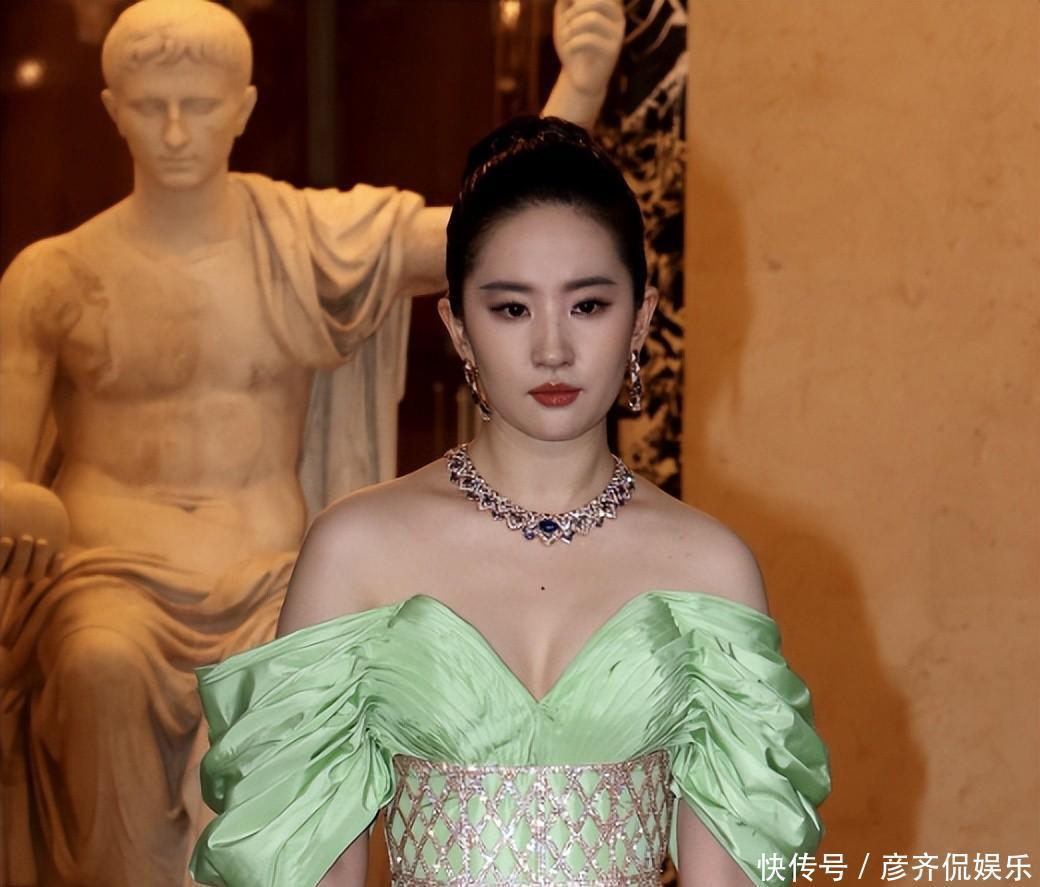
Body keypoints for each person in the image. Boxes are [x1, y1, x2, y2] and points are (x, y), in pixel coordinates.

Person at [0, 2, 625, 885]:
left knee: (282, 708)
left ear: (244, 108)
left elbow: (482, 238)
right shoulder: (54, 277)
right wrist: (16, 496)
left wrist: (581, 83)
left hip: (272, 582)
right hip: (107, 581)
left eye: (199, 104)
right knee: (96, 668)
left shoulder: (305, 242)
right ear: (112, 109)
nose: (175, 131)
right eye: (151, 106)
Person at [188, 116, 831, 887]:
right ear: (457, 327)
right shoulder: (356, 550)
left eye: (587, 305)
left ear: (642, 317)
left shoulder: (711, 570)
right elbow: (301, 866)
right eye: (512, 309)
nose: (552, 348)